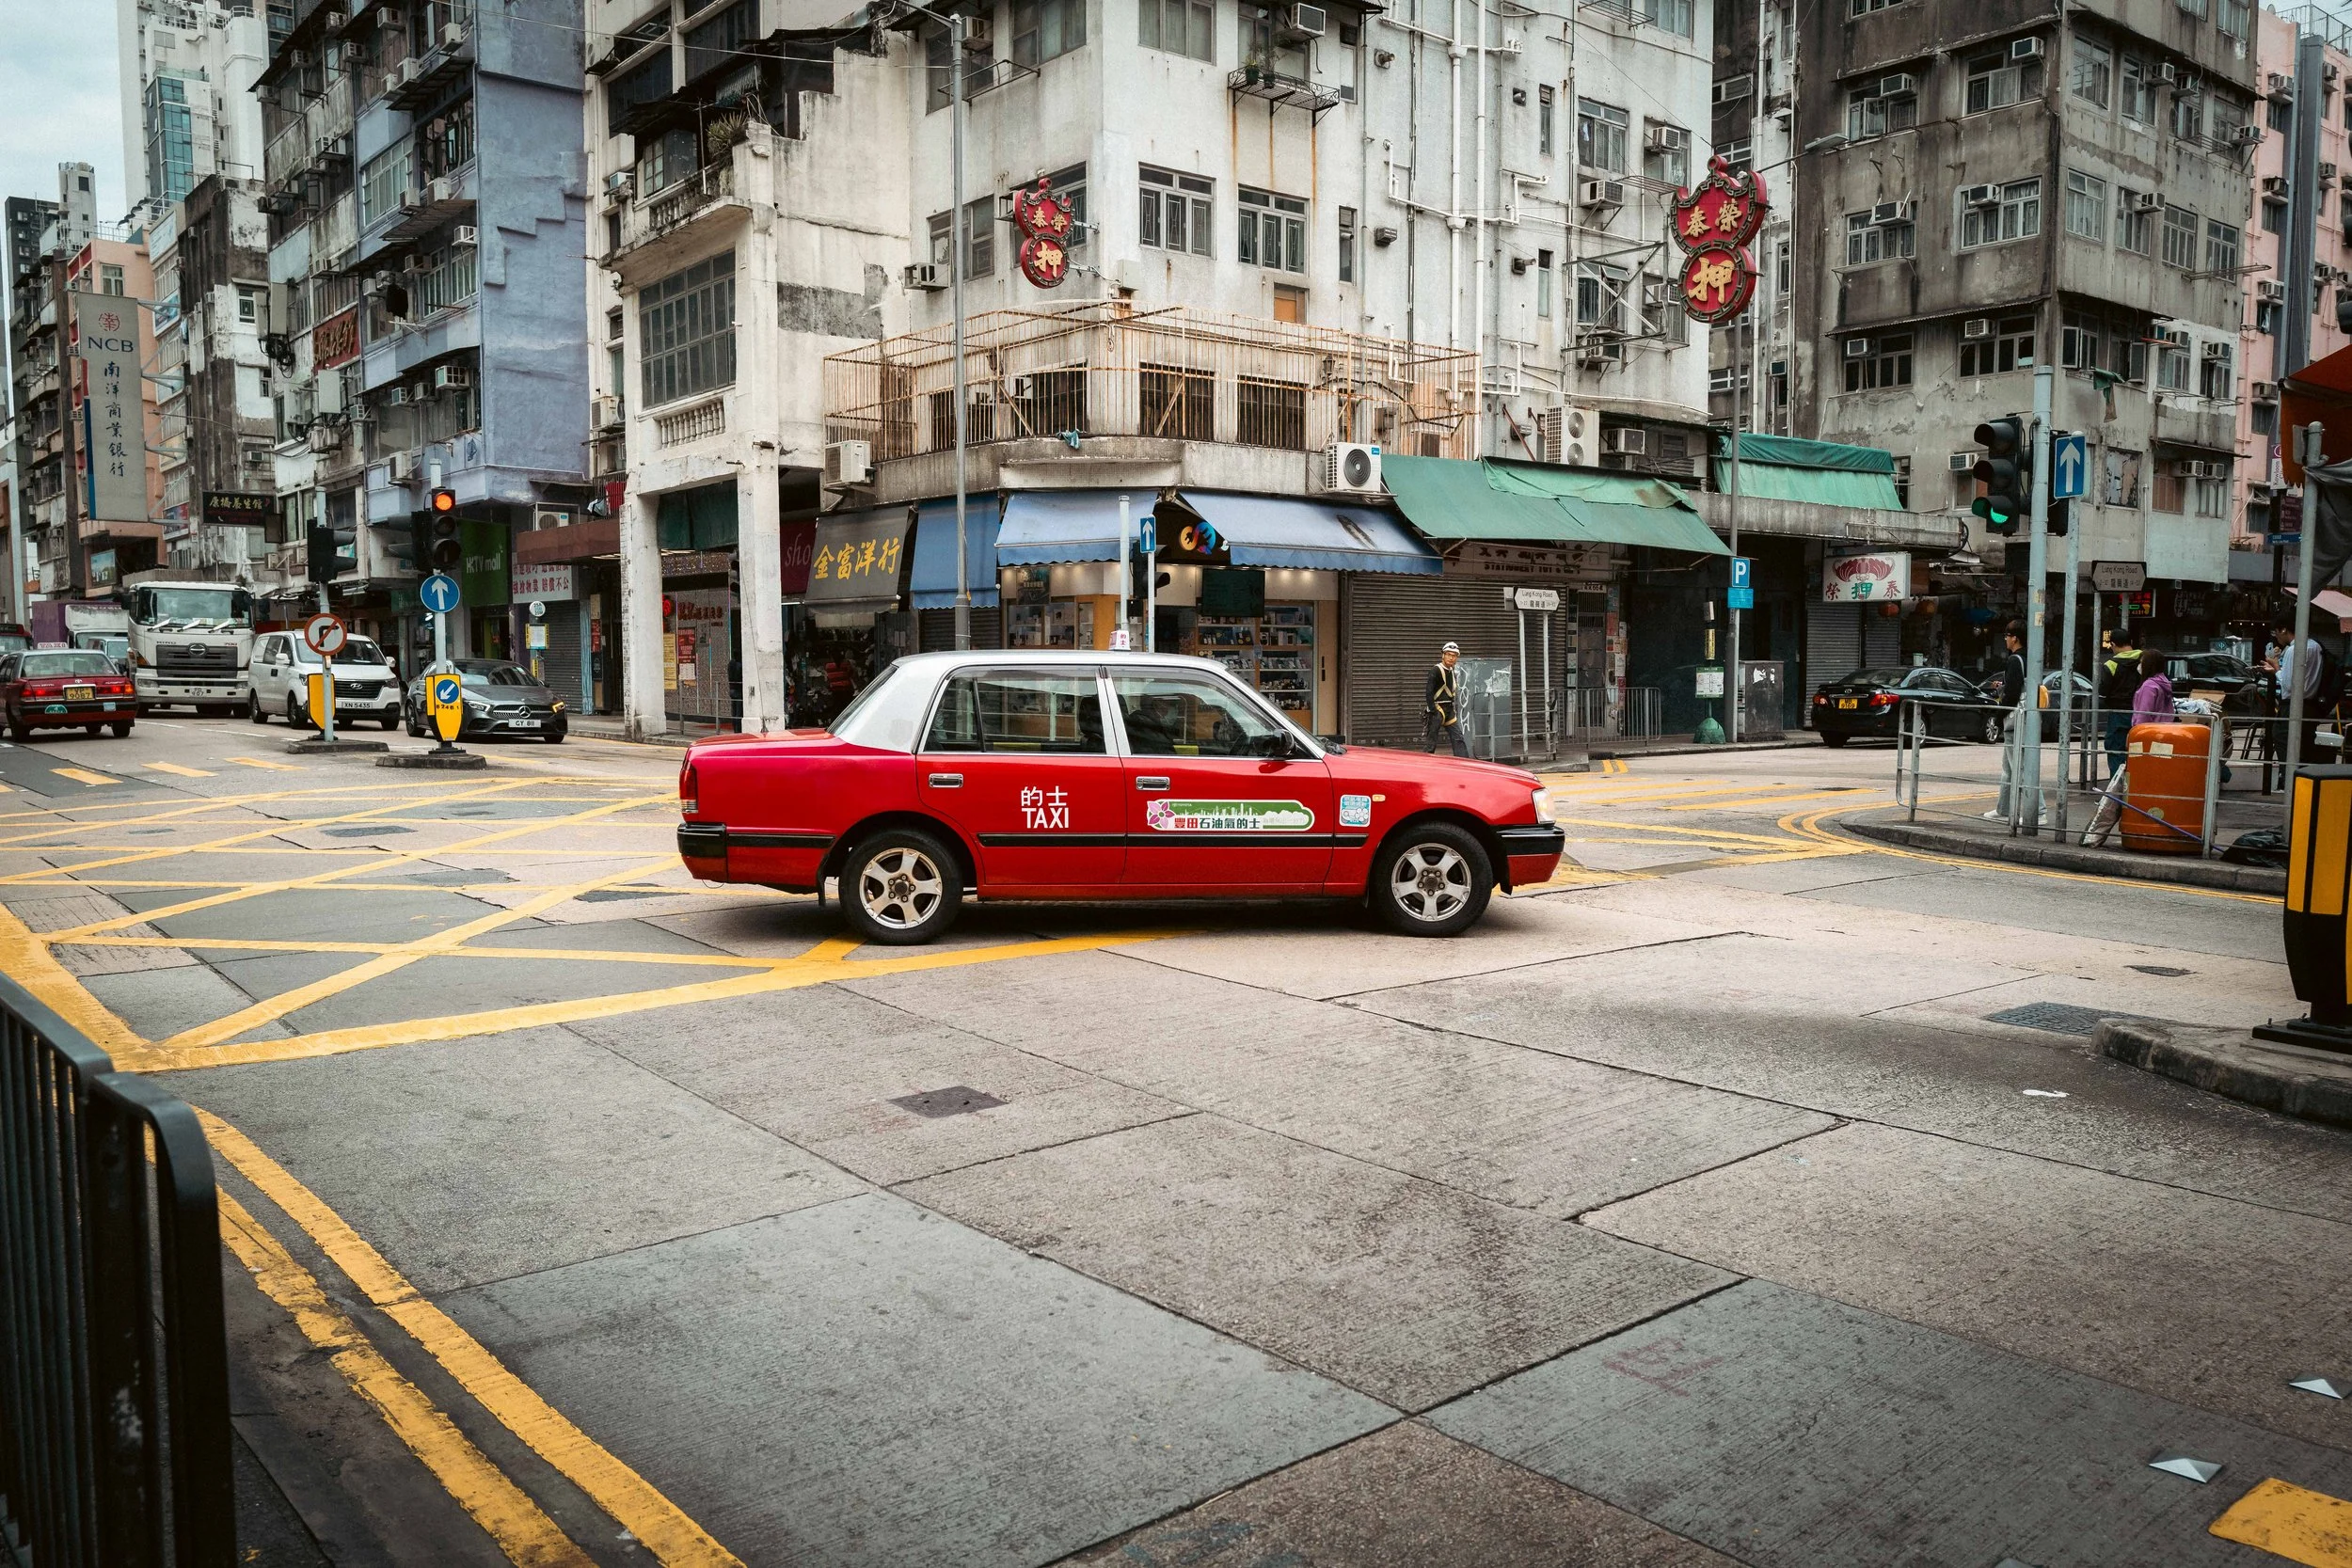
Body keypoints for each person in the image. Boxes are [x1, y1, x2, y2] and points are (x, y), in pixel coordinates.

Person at [1984, 622, 2035, 824]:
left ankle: (2037, 812)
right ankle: (2004, 808)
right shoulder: (2030, 657)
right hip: (2024, 715)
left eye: (2007, 635)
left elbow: (2013, 694)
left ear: (2015, 638)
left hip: (2016, 719)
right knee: (2008, 768)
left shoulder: (2015, 659)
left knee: (2020, 768)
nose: (2005, 639)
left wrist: (1999, 714)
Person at [2096, 627, 2140, 781]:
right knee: (2140, 752)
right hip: (2143, 713)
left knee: (2116, 752)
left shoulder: (2110, 664)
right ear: (2131, 642)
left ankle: (2116, 796)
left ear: (2113, 644)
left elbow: (2103, 692)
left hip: (2119, 713)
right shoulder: (2145, 659)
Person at [1424, 641, 1470, 757]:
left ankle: (1463, 763)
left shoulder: (1451, 671)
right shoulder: (1436, 670)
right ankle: (1425, 765)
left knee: (1458, 738)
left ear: (1457, 658)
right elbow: (1429, 691)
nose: (1451, 658)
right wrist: (1433, 710)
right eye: (1448, 654)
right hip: (1437, 709)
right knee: (1431, 741)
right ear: (1443, 655)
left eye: (1454, 656)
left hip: (1449, 710)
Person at [2130, 647, 2174, 728]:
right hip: (2164, 729)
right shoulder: (2164, 682)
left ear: (2148, 665)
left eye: (2141, 663)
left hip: (2148, 731)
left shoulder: (2148, 686)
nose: (2139, 666)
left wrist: (2138, 731)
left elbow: (2144, 714)